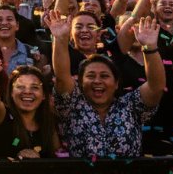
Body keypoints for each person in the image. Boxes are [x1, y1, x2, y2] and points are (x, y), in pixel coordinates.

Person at [48, 11, 165, 157]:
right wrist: (60, 39)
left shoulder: (130, 105)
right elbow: (62, 77)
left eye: (104, 76)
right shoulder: (72, 105)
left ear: (116, 83)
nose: (97, 81)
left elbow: (156, 87)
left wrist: (149, 47)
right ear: (80, 82)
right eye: (90, 76)